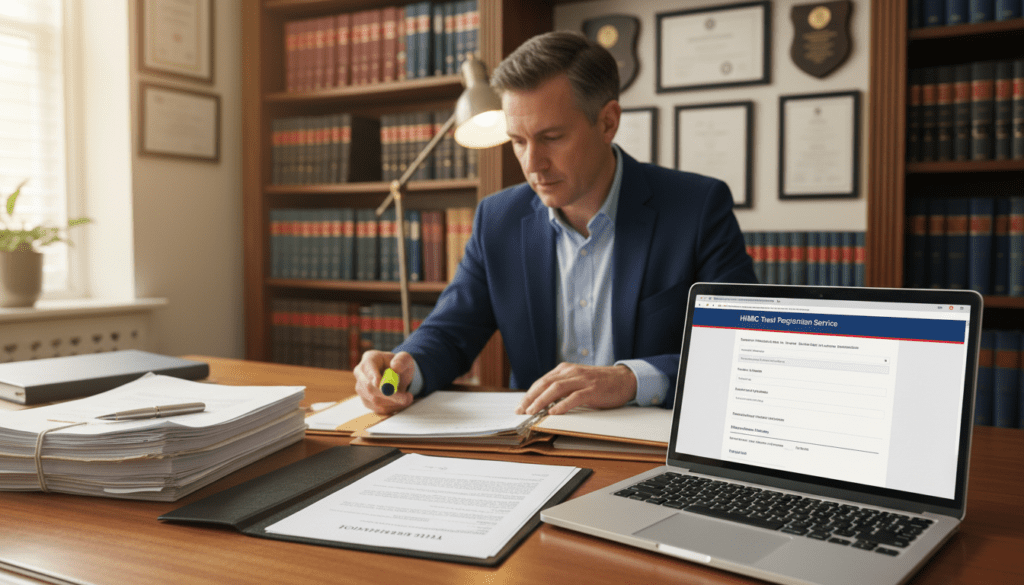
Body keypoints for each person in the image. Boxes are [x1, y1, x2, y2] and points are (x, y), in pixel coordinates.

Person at [354, 31, 756, 416]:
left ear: (608, 122)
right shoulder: (498, 219)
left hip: (652, 450)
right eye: (518, 141)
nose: (532, 164)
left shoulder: (696, 208)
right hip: (534, 446)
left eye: (551, 137)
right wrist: (405, 365)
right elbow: (449, 331)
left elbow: (742, 351)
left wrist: (630, 380)